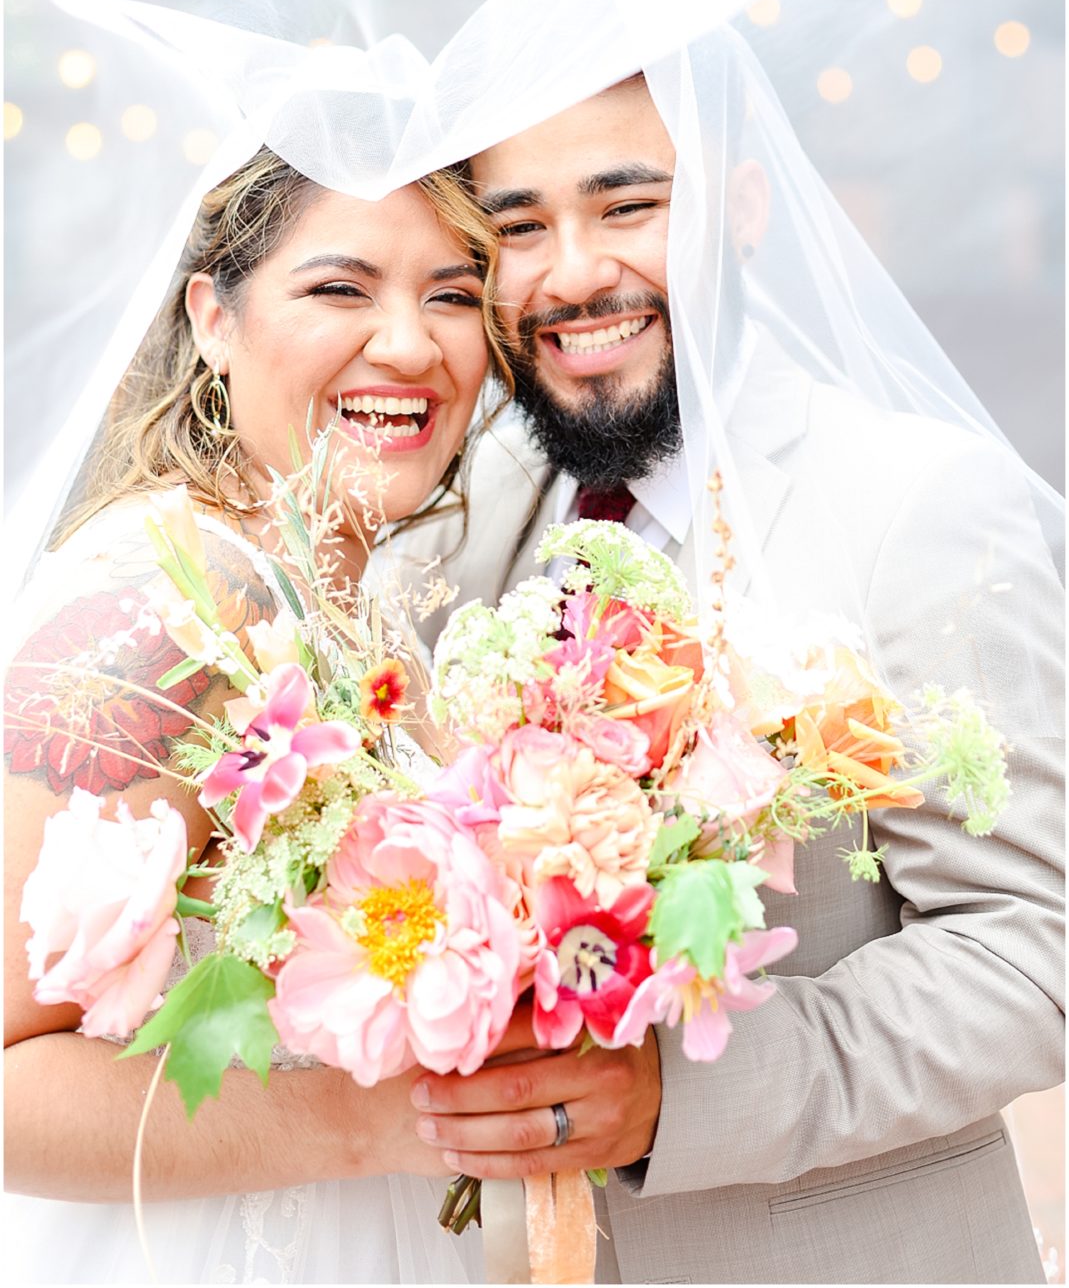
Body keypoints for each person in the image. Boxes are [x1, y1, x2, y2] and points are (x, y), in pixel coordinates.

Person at [384, 68, 1065, 1285]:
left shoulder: (919, 503)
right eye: (521, 226)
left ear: (745, 205)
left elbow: (1032, 952)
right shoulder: (469, 520)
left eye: (629, 205)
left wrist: (675, 1100)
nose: (573, 272)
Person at [3, 149, 512, 1284]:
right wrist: (382, 1121)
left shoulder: (349, 603)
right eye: (342, 288)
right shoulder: (156, 609)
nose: (411, 344)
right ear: (213, 319)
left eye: (451, 292)